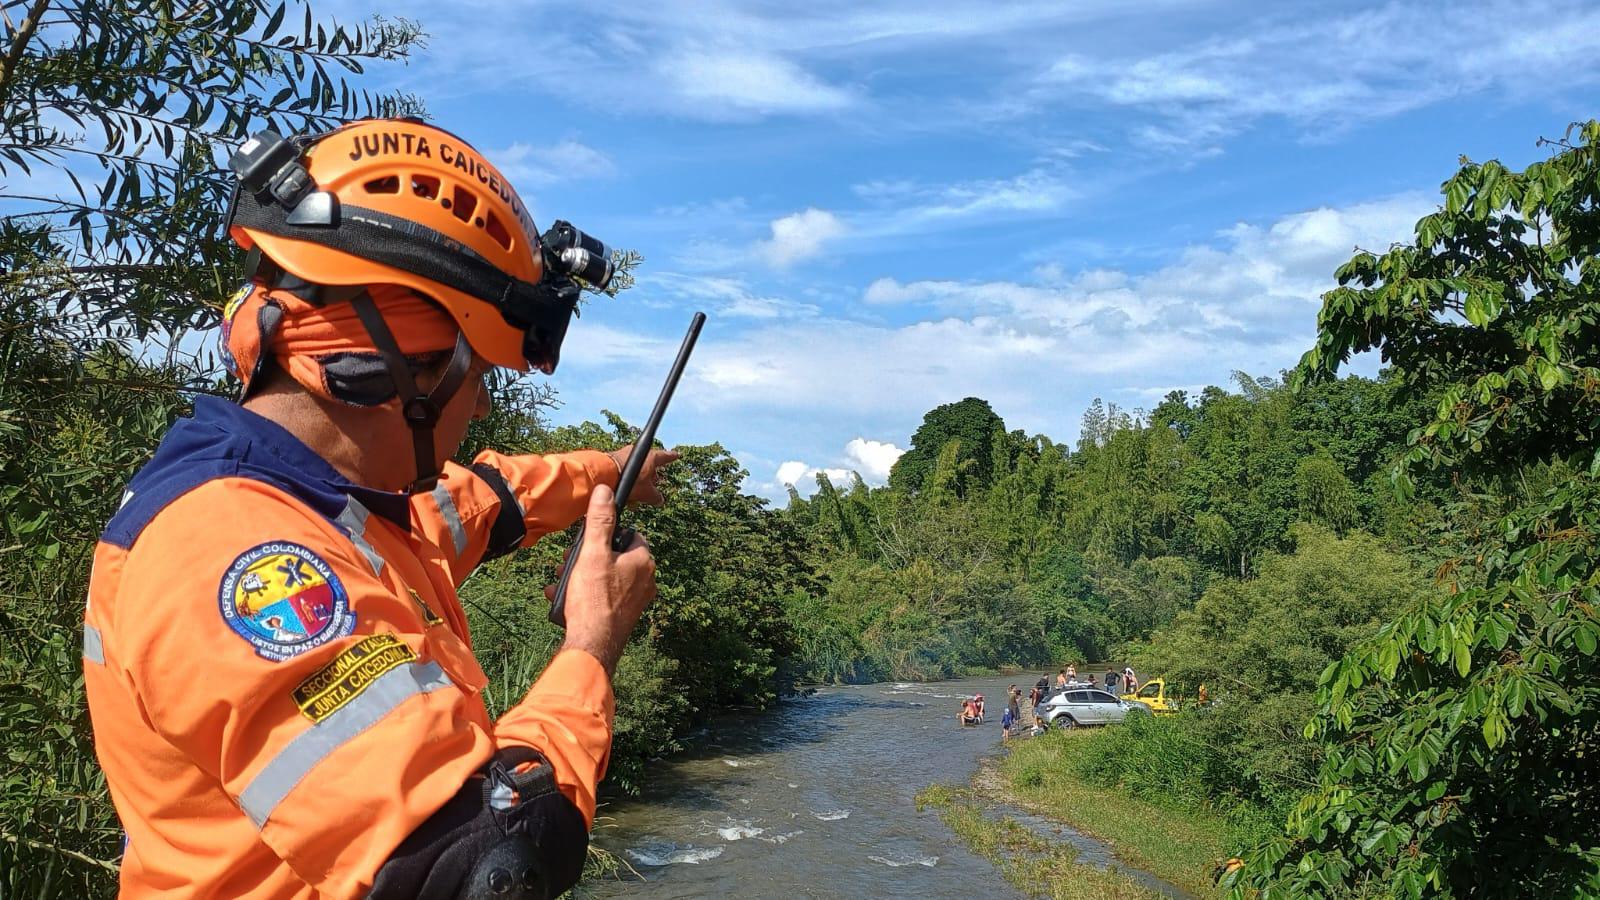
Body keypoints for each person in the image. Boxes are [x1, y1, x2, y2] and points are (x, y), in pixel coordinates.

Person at [82, 119, 679, 899]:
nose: (483, 406)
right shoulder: (232, 553)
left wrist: (611, 471)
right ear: (403, 364)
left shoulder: (328, 511)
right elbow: (490, 870)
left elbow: (486, 502)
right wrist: (591, 647)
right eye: (479, 374)